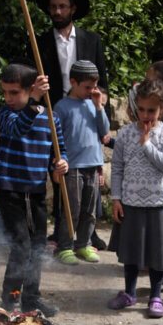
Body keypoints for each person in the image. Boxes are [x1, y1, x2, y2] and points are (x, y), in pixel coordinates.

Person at [0, 64, 68, 316]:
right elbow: (17, 129)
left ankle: (31, 299)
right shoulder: (6, 114)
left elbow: (57, 152)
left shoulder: (51, 117)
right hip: (10, 190)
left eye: (14, 92)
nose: (8, 98)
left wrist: (60, 165)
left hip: (35, 191)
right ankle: (9, 300)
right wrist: (32, 102)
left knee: (37, 246)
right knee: (21, 245)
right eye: (5, 92)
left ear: (30, 88)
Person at [108, 79, 163, 318]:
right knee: (131, 251)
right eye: (142, 109)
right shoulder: (125, 134)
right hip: (131, 202)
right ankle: (129, 292)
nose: (146, 115)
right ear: (135, 107)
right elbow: (116, 167)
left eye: (152, 110)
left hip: (158, 204)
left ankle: (156, 295)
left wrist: (147, 144)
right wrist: (116, 198)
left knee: (157, 253)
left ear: (162, 109)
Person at [53, 60, 110, 264]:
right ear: (73, 82)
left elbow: (104, 131)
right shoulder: (62, 107)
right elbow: (54, 138)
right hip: (73, 166)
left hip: (92, 165)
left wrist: (99, 106)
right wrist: (56, 164)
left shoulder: (93, 104)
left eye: (94, 87)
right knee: (72, 210)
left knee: (89, 211)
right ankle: (65, 246)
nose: (91, 91)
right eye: (87, 87)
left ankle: (84, 244)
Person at [35, 0, 108, 102]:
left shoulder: (92, 41)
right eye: (53, 7)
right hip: (53, 113)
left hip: (85, 110)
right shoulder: (39, 44)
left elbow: (102, 83)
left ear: (72, 9)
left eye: (62, 6)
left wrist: (103, 117)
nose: (57, 12)